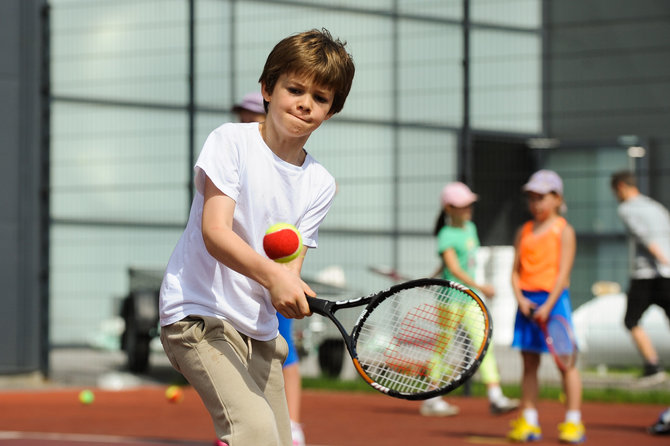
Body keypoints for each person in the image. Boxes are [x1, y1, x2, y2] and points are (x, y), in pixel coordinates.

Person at [158, 28, 355, 446]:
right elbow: (215, 232)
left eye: (320, 98)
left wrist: (290, 289)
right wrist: (275, 277)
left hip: (260, 332)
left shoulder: (319, 184)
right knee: (254, 431)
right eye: (295, 89)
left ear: (331, 111)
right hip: (198, 315)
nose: (304, 104)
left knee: (280, 442)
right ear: (268, 88)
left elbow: (288, 271)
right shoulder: (230, 142)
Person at [232, 91, 306, 446]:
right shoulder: (232, 154)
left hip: (273, 279)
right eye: (240, 114)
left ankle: (292, 425)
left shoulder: (287, 164)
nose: (247, 119)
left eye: (251, 114)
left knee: (283, 351)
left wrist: (283, 276)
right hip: (234, 281)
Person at [420, 182, 520, 417]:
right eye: (462, 205)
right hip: (449, 300)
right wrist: (481, 286)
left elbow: (448, 264)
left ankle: (496, 397)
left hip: (469, 300)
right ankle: (433, 398)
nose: (468, 209)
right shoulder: (446, 235)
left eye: (469, 204)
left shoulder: (470, 228)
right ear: (449, 208)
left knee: (484, 343)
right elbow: (453, 268)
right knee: (442, 349)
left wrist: (432, 277)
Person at [507, 170, 585, 444]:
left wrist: (548, 306)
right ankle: (529, 422)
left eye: (542, 197)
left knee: (566, 363)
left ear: (557, 198)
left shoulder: (564, 230)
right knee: (529, 363)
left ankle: (573, 422)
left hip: (554, 303)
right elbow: (514, 272)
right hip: (527, 303)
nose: (536, 203)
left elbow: (563, 274)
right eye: (532, 198)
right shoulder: (524, 231)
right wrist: (520, 298)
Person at [610, 170, 670, 385]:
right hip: (667, 275)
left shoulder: (627, 209)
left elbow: (645, 237)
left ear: (620, 187)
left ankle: (652, 365)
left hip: (648, 274)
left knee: (630, 320)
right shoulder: (655, 206)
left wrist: (663, 258)